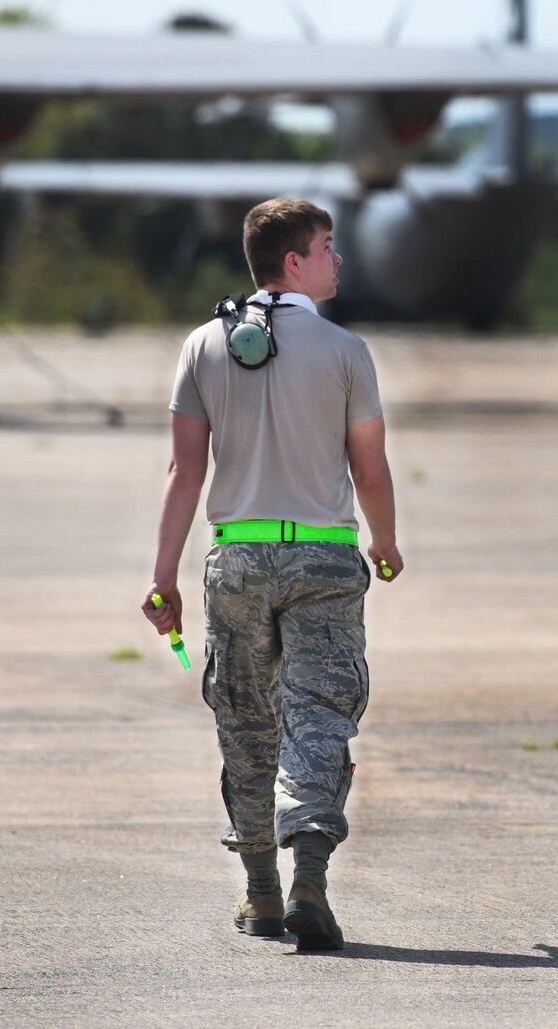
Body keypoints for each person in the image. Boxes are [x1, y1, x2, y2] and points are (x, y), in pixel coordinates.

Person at [143, 198, 401, 952]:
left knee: (245, 720)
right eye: (326, 247)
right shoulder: (347, 352)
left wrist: (165, 578)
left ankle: (259, 893)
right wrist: (384, 543)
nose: (337, 259)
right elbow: (372, 469)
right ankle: (310, 878)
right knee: (320, 712)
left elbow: (183, 472)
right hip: (322, 555)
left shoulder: (202, 345)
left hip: (236, 558)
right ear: (294, 262)